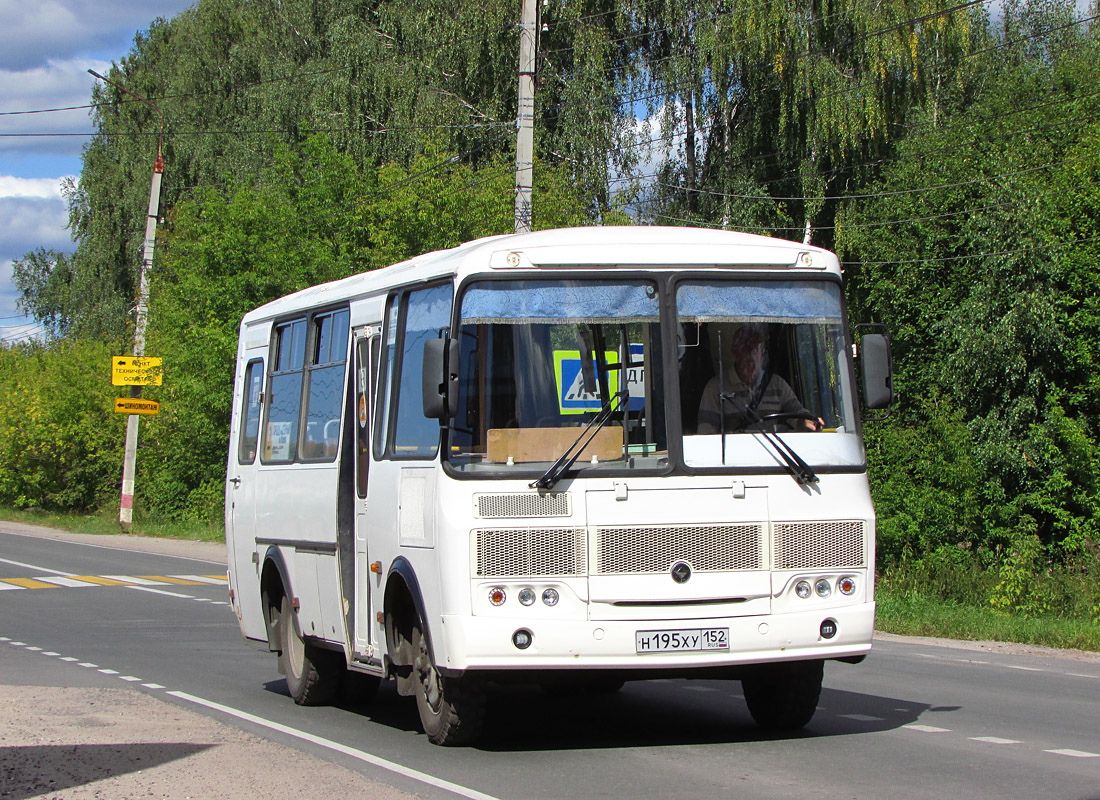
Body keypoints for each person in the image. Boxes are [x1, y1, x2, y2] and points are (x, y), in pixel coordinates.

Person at [696, 323, 820, 434]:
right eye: (747, 349)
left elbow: (798, 415)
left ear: (763, 355)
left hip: (774, 456)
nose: (752, 356)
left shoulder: (777, 385)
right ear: (735, 352)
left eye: (758, 350)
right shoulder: (715, 388)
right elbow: (706, 436)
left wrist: (807, 422)